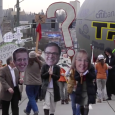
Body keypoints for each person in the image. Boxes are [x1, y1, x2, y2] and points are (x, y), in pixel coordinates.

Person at [72, 49, 96, 115]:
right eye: (80, 59)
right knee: (81, 104)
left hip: (88, 88)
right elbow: (75, 78)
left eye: (85, 60)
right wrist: (80, 76)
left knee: (86, 104)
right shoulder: (77, 68)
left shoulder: (91, 67)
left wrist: (88, 73)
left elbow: (93, 76)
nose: (83, 62)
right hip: (81, 88)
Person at [41, 42, 61, 115]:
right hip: (46, 88)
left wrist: (52, 75)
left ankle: (52, 113)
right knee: (46, 104)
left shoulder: (57, 67)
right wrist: (48, 73)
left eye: (54, 53)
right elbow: (42, 76)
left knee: (53, 104)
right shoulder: (44, 66)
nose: (51, 56)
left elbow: (58, 77)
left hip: (54, 88)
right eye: (48, 53)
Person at [24, 51, 43, 115]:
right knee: (32, 98)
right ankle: (27, 110)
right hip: (37, 83)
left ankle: (36, 110)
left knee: (31, 97)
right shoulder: (39, 63)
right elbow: (46, 63)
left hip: (29, 83)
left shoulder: (27, 63)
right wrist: (39, 56)